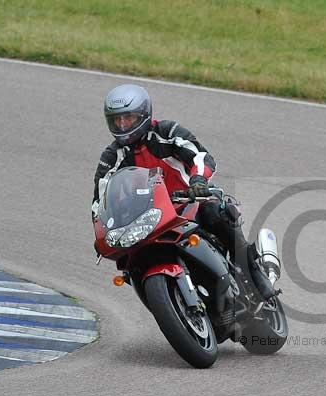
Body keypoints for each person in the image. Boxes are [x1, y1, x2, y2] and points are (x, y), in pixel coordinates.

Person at [91, 84, 277, 334]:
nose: (123, 125)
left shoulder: (166, 132)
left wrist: (198, 180)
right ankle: (179, 308)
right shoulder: (111, 157)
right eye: (117, 120)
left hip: (188, 202)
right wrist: (102, 230)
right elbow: (101, 197)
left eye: (129, 118)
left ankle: (254, 275)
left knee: (216, 214)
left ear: (144, 115)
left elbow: (200, 155)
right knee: (128, 260)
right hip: (149, 218)